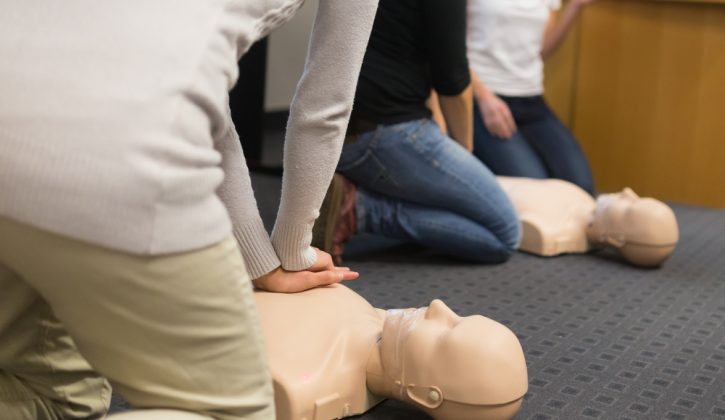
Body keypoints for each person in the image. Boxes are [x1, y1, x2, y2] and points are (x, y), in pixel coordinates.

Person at [0, 1, 377, 419]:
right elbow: (325, 108)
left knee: (48, 392)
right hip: (113, 140)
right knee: (229, 411)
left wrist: (259, 260)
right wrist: (291, 253)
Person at [313, 0, 520, 266]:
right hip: (380, 134)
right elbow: (452, 80)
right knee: (505, 234)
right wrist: (463, 152)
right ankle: (359, 210)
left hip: (325, 128)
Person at [255, 283, 528, 420]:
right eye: (459, 315)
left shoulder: (305, 380)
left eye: (445, 332)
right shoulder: (370, 318)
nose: (438, 306)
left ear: (427, 395)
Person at [467, 0, 597, 195]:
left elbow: (541, 49)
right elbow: (447, 50)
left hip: (532, 100)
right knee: (536, 193)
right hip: (483, 100)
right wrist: (484, 98)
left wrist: (575, 7)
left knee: (581, 186)